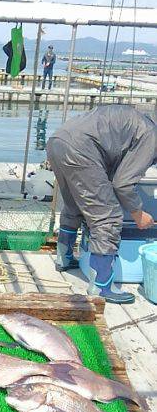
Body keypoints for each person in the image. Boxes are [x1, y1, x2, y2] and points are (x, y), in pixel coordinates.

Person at [47, 104, 156, 304]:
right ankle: (102, 286)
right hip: (81, 149)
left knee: (74, 204)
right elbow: (122, 183)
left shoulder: (141, 123)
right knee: (108, 216)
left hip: (58, 141)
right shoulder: (152, 136)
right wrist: (138, 213)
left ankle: (64, 258)